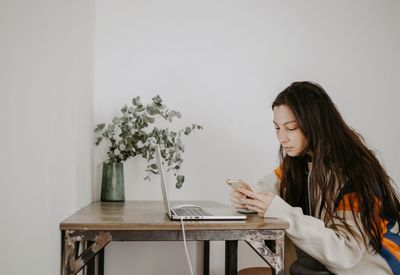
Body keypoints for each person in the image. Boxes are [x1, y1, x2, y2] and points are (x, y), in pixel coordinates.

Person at [230, 81, 400, 275]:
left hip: (368, 269)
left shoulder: (355, 172)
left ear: (315, 124)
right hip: (318, 267)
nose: (282, 138)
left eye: (291, 128)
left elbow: (345, 254)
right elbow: (267, 190)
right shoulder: (300, 160)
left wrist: (281, 212)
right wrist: (248, 199)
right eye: (277, 128)